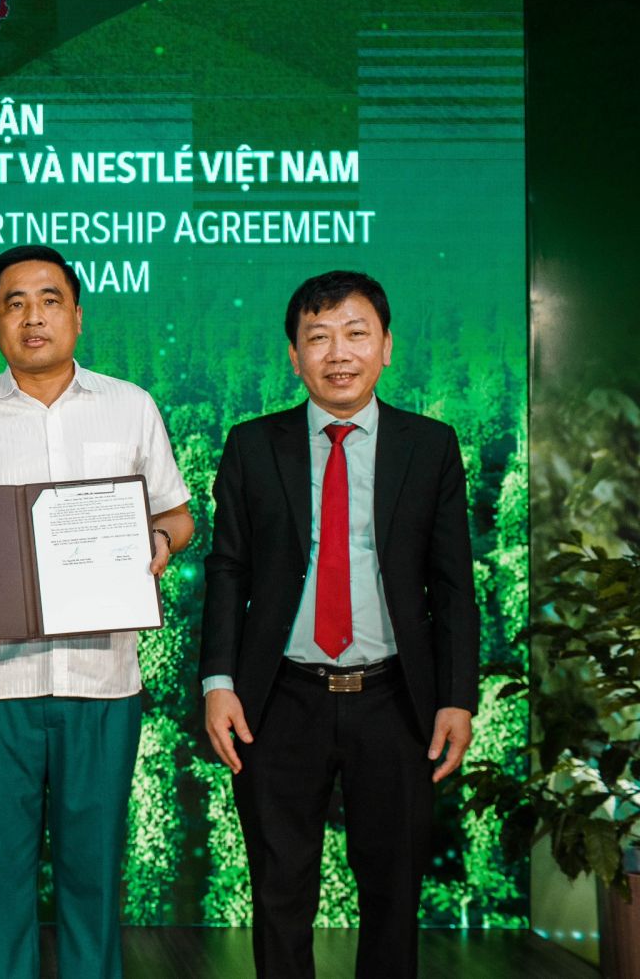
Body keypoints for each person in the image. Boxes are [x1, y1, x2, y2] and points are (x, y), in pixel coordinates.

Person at [0, 244, 193, 979]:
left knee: (93, 879)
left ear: (77, 315)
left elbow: (177, 513)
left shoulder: (129, 406)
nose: (32, 317)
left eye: (49, 300)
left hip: (101, 681)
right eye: (15, 303)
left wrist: (159, 541)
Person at [200, 270, 479, 978]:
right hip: (277, 701)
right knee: (279, 892)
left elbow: (453, 586)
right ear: (294, 356)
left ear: (387, 346)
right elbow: (227, 570)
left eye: (356, 334)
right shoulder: (253, 445)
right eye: (318, 337)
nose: (338, 353)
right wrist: (218, 682)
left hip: (395, 700)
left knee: (393, 892)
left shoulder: (430, 445)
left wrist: (457, 698)